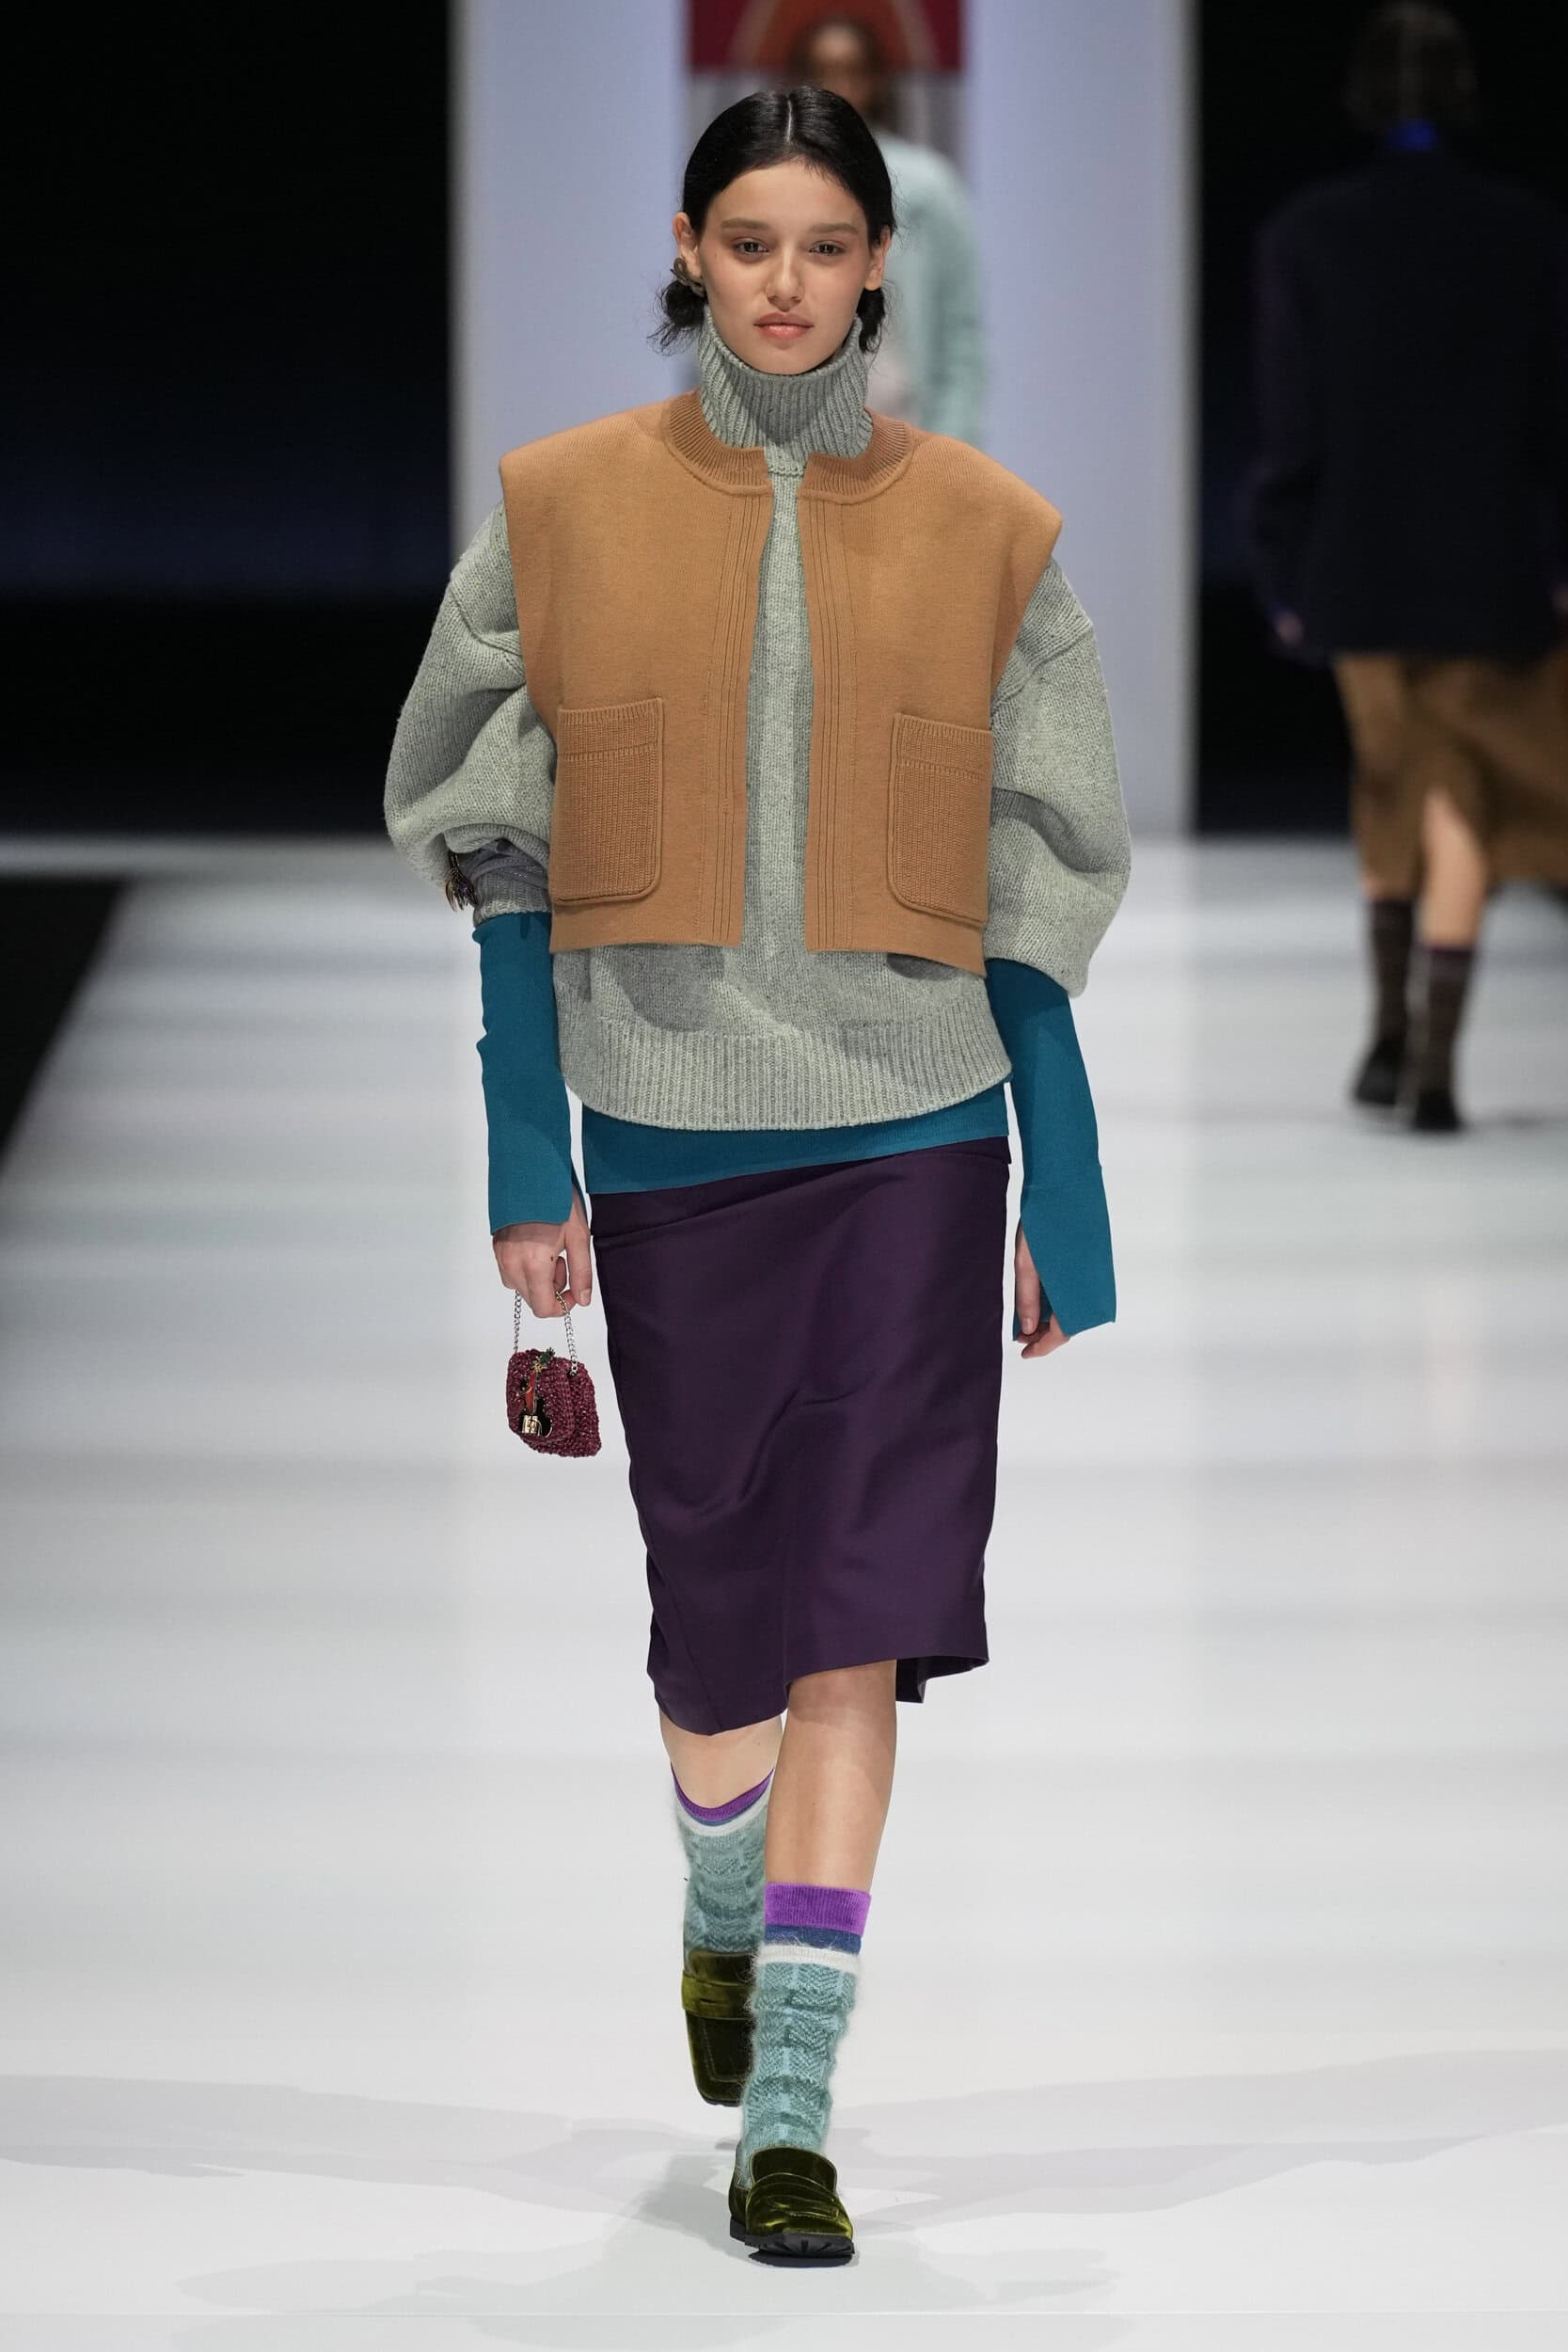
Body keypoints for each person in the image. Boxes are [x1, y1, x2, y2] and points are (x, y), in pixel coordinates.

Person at [386, 87, 1129, 2265]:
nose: (787, 283)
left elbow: (1041, 888)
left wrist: (1058, 1193)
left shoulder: (990, 531)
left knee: (854, 1624)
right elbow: (495, 849)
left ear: (880, 262)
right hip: (671, 1146)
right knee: (715, 1632)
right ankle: (721, 1880)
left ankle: (790, 2100)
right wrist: (527, 1159)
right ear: (688, 249)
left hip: (916, 1135)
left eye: (823, 244)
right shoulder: (561, 511)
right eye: (749, 242)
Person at [1247, 1, 1568, 1134]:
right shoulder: (1526, 232)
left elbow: (1290, 421)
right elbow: (1551, 420)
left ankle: (1393, 1034)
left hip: (1356, 558)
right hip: (1488, 561)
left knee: (1392, 779)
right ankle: (1427, 1064)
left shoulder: (1305, 235)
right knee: (1458, 795)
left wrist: (1281, 562)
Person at [789, 13, 987, 442]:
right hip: (788, 431)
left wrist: (953, 448)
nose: (836, 87)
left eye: (850, 71)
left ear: (875, 81)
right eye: (820, 72)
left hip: (904, 430)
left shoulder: (927, 186)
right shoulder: (766, 183)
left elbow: (959, 331)